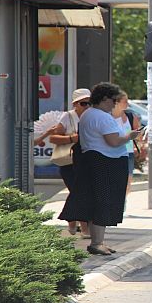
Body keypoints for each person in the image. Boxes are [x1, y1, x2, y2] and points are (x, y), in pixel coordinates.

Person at [59, 82, 141, 256]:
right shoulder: (101, 116)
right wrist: (131, 136)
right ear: (104, 99)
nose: (114, 104)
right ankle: (97, 243)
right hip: (106, 162)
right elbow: (114, 141)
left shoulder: (88, 114)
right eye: (113, 100)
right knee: (104, 202)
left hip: (93, 160)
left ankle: (98, 242)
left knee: (97, 201)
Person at [46, 88, 92, 238]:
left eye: (90, 103)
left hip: (86, 162)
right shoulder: (68, 117)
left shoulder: (93, 117)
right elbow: (53, 138)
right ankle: (84, 228)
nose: (87, 106)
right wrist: (72, 138)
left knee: (78, 193)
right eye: (84, 103)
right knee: (80, 193)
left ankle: (72, 220)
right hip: (69, 163)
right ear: (75, 104)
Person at [112, 91, 141, 194]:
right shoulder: (107, 117)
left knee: (128, 180)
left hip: (128, 153)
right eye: (125, 101)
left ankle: (122, 204)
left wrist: (138, 137)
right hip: (112, 153)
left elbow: (138, 133)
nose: (127, 104)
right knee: (113, 180)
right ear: (116, 102)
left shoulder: (130, 116)